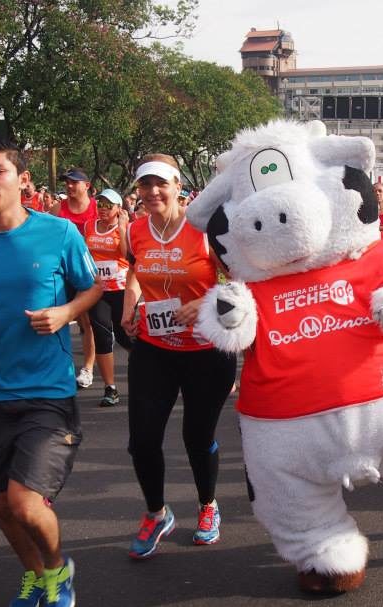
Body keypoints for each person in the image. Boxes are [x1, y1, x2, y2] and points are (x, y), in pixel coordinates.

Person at [0, 138, 102, 607]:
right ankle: (36, 575)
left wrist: (66, 313)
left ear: (22, 179)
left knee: (24, 502)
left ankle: (58, 572)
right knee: (2, 508)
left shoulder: (59, 233)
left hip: (49, 389)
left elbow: (91, 289)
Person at [120, 154, 237, 557]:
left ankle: (208, 506)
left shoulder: (206, 229)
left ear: (177, 186)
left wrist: (206, 303)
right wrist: (128, 305)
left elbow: (239, 284)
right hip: (154, 349)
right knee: (142, 441)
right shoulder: (135, 230)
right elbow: (135, 271)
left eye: (160, 184)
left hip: (206, 352)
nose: (152, 192)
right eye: (144, 185)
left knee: (196, 437)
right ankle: (156, 513)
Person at [83, 188, 133, 407]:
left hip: (121, 289)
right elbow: (85, 253)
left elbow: (126, 255)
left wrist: (122, 228)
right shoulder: (88, 226)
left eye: (108, 206)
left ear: (118, 209)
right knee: (102, 334)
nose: (103, 209)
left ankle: (149, 367)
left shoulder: (126, 228)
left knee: (125, 336)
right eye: (100, 204)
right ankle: (110, 388)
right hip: (98, 290)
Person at [50, 168, 98, 389]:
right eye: (67, 183)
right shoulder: (57, 209)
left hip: (89, 270)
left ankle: (87, 369)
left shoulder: (98, 208)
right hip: (62, 272)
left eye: (74, 183)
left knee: (87, 322)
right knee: (59, 318)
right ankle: (60, 366)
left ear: (86, 185)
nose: (69, 186)